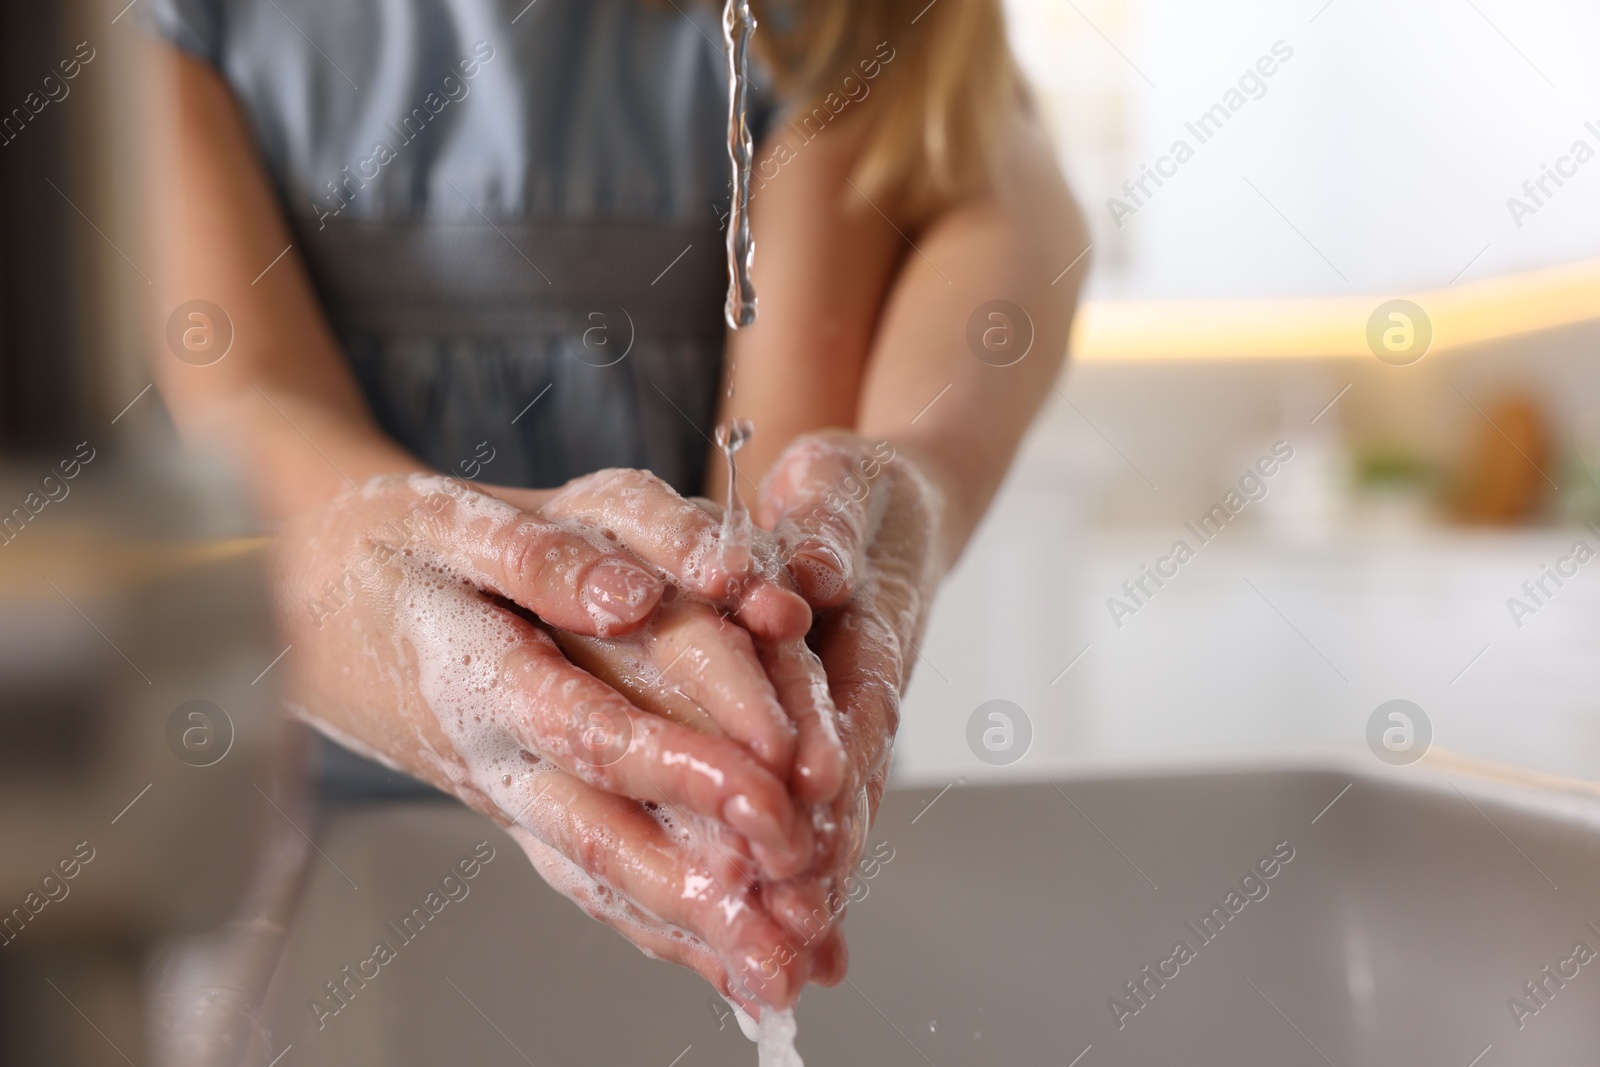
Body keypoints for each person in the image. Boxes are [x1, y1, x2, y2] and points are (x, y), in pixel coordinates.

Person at [142, 0, 1086, 1017]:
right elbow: (248, 411)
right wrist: (458, 613)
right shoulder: (184, 28)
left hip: (701, 870)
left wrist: (740, 696)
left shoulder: (811, 24)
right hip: (295, 875)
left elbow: (758, 522)